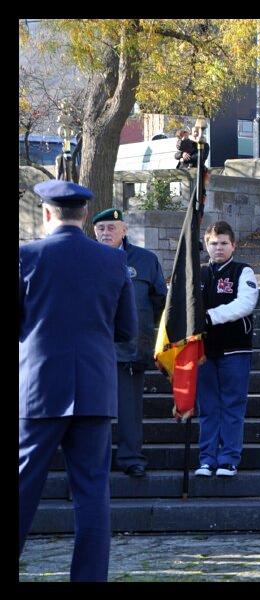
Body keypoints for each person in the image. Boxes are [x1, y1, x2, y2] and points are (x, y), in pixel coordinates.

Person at [20, 180, 138, 581]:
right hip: (94, 387)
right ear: (85, 216)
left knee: (22, 486)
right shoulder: (113, 262)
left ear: (47, 213)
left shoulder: (26, 256)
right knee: (92, 495)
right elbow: (126, 330)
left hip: (39, 387)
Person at [92, 208, 167, 478]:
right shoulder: (86, 259)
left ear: (124, 229)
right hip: (93, 351)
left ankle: (131, 458)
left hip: (132, 348)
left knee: (129, 409)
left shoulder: (145, 260)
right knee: (93, 410)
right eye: (100, 228)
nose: (105, 233)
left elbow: (161, 300)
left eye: (112, 227)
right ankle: (93, 461)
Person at [194, 221, 258, 478]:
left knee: (233, 405)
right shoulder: (198, 273)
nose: (218, 248)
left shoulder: (243, 271)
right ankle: (207, 459)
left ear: (233, 245)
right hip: (203, 351)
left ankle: (229, 458)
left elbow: (245, 304)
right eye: (213, 243)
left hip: (235, 350)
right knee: (208, 407)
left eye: (223, 243)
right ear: (206, 245)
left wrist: (210, 316)